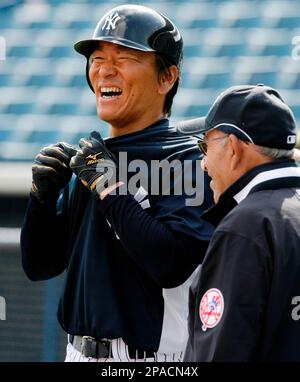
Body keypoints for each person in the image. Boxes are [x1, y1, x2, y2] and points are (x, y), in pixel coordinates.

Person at [20, 4, 214, 362]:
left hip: (147, 359)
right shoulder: (94, 157)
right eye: (97, 58)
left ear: (166, 78)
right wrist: (42, 201)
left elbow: (172, 263)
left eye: (124, 57)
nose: (105, 70)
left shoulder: (185, 159)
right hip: (76, 351)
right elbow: (40, 266)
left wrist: (111, 187)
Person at [176, 83, 300, 362]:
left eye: (204, 146)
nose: (203, 163)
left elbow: (222, 351)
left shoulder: (245, 228)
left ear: (233, 148)